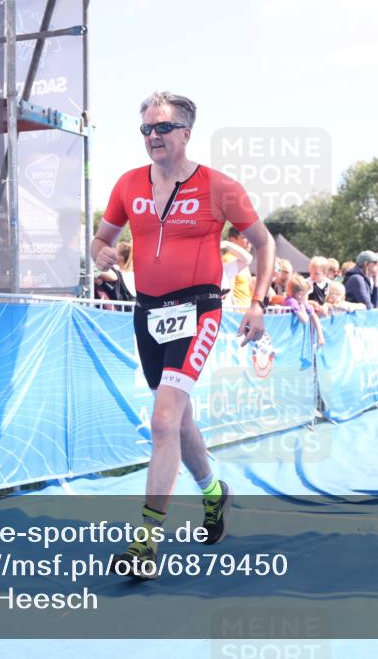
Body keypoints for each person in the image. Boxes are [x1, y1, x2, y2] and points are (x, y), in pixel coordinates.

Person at [91, 91, 275, 578]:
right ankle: (215, 493)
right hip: (148, 312)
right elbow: (101, 239)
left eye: (162, 128)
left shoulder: (219, 186)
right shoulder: (128, 184)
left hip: (199, 309)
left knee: (162, 421)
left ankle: (146, 544)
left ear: (186, 133)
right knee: (180, 421)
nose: (152, 136)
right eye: (146, 129)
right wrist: (99, 252)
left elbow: (263, 242)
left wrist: (256, 302)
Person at [283, 274, 325, 347]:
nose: (308, 297)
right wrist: (302, 308)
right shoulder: (291, 301)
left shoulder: (300, 302)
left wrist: (320, 335)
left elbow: (314, 316)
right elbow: (305, 320)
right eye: (307, 294)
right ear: (300, 294)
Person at [221, 226, 253, 307]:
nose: (249, 241)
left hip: (245, 312)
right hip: (236, 314)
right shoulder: (228, 259)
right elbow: (229, 292)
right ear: (233, 240)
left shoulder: (240, 260)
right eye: (244, 237)